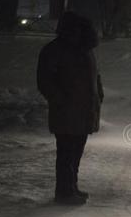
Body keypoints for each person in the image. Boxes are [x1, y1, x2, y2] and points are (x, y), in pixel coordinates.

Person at [37, 12, 104, 205]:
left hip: (84, 110)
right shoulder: (56, 50)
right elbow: (45, 80)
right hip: (66, 111)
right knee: (66, 152)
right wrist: (60, 100)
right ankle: (64, 192)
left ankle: (71, 187)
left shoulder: (85, 49)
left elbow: (95, 75)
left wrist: (98, 93)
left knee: (75, 152)